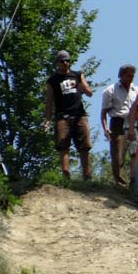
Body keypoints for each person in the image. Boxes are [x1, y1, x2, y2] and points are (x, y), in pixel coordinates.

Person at [43, 50, 94, 180]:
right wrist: (47, 119)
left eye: (67, 60)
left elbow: (89, 92)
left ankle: (87, 175)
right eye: (62, 61)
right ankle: (66, 174)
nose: (65, 63)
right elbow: (49, 101)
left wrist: (83, 87)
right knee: (63, 145)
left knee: (85, 145)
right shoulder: (53, 80)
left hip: (79, 115)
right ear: (57, 63)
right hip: (62, 116)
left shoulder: (77, 75)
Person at [100, 64, 138, 187]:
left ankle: (136, 181)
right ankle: (119, 182)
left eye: (132, 75)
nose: (131, 78)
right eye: (128, 75)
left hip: (134, 123)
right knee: (118, 154)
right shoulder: (110, 90)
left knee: (137, 152)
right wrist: (105, 128)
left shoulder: (137, 90)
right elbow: (103, 112)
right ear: (121, 75)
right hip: (118, 122)